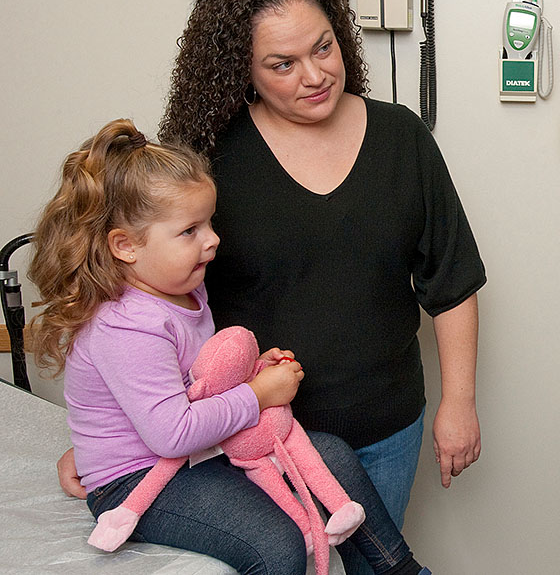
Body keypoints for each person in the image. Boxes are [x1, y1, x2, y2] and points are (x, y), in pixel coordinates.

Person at [151, 0, 486, 542]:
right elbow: (148, 305)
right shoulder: (208, 160)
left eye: (323, 48)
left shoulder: (402, 137)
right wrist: (112, 445)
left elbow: (451, 284)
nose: (314, 75)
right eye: (283, 64)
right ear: (243, 72)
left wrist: (458, 405)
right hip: (252, 437)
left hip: (386, 427)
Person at [28, 119, 428, 575]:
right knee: (276, 545)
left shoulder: (183, 290)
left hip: (194, 456)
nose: (213, 238)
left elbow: (200, 378)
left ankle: (401, 570)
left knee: (334, 455)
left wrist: (254, 369)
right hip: (136, 480)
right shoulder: (125, 326)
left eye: (209, 222)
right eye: (190, 231)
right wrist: (260, 394)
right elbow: (172, 433)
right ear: (126, 247)